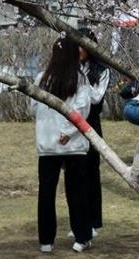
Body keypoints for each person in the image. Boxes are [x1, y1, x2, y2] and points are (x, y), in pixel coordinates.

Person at [32, 36, 93, 253]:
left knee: (46, 194)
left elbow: (33, 108)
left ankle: (46, 241)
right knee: (76, 193)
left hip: (47, 144)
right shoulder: (80, 79)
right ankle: (82, 237)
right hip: (73, 146)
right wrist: (68, 132)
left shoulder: (42, 79)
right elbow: (82, 108)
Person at [76, 27, 110, 238]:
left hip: (91, 123)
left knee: (91, 172)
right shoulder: (71, 67)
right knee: (75, 174)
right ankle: (79, 222)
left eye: (82, 46)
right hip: (73, 124)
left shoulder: (102, 71)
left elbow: (96, 98)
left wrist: (82, 79)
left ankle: (93, 221)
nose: (79, 50)